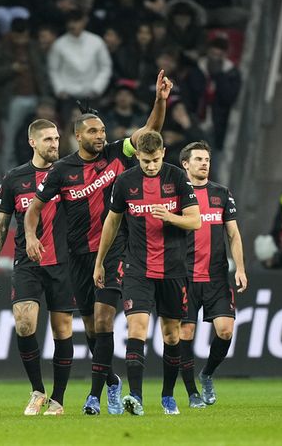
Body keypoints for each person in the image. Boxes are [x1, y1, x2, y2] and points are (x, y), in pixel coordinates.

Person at [26, 70, 173, 416]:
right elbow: (34, 210)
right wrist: (31, 235)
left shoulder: (116, 154)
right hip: (77, 255)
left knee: (105, 322)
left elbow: (149, 133)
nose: (100, 135)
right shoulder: (61, 170)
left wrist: (160, 100)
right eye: (93, 131)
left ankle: (93, 397)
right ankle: (110, 381)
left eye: (103, 130)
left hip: (114, 251)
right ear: (77, 135)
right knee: (92, 329)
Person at [94, 131, 200, 415]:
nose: (151, 166)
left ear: (163, 153)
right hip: (137, 268)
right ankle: (136, 397)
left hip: (173, 269)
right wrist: (100, 261)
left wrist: (170, 217)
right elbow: (112, 223)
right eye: (145, 161)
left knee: (171, 336)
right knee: (136, 329)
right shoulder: (125, 181)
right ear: (137, 156)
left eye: (155, 160)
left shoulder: (177, 178)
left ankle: (167, 396)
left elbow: (196, 220)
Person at [0, 119, 76, 416]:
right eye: (48, 139)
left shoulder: (69, 173)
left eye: (56, 138)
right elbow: (1, 223)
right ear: (32, 142)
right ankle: (37, 390)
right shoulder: (15, 178)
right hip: (27, 263)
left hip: (63, 263)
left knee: (62, 330)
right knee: (25, 323)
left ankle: (58, 400)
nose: (54, 144)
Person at [178, 141, 247, 408]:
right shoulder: (177, 195)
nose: (204, 163)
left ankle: (206, 374)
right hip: (184, 277)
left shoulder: (221, 193)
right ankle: (192, 393)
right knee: (185, 333)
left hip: (217, 276)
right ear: (186, 164)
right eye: (198, 159)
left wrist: (240, 267)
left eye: (207, 159)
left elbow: (233, 234)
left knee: (226, 331)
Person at [0, 17, 51, 170]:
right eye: (19, 37)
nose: (22, 40)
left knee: (40, 138)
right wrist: (11, 69)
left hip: (36, 98)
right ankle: (9, 175)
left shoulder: (34, 47)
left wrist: (46, 100)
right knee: (11, 139)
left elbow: (43, 74)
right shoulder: (1, 48)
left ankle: (39, 172)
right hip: (12, 100)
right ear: (12, 34)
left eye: (25, 36)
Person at [47, 10, 112, 121]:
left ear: (83, 22)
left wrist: (97, 88)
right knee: (69, 130)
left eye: (76, 21)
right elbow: (53, 69)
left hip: (91, 95)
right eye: (70, 22)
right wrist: (60, 89)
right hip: (68, 96)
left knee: (94, 129)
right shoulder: (59, 44)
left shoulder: (96, 41)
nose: (73, 25)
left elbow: (105, 67)